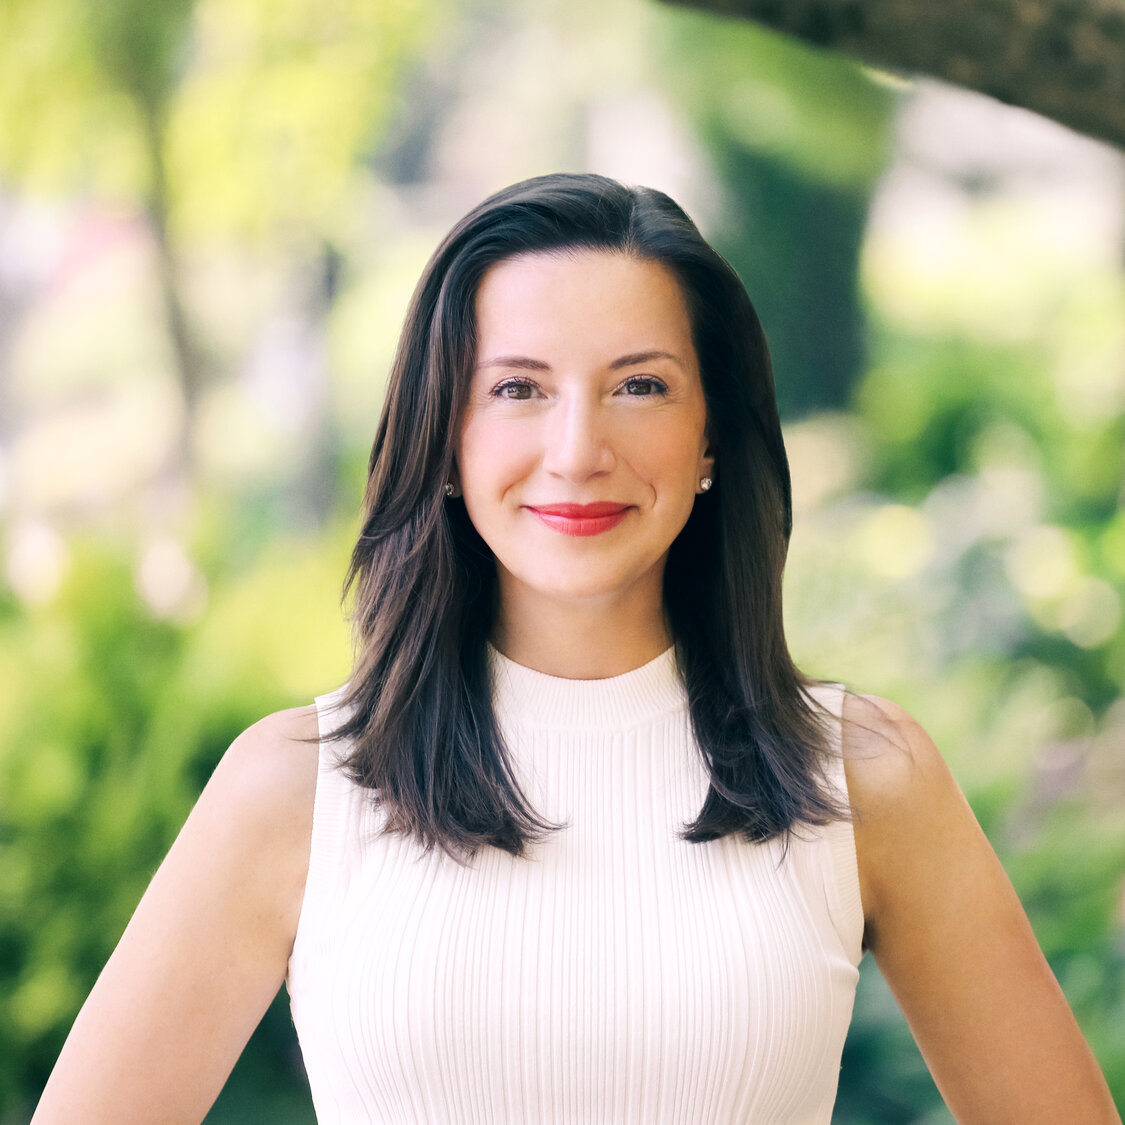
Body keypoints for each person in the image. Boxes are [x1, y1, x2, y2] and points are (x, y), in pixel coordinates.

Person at [32, 173, 1120, 1124]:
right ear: (446, 440)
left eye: (639, 385)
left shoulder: (864, 777)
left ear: (708, 441)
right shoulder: (297, 789)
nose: (577, 449)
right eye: (518, 389)